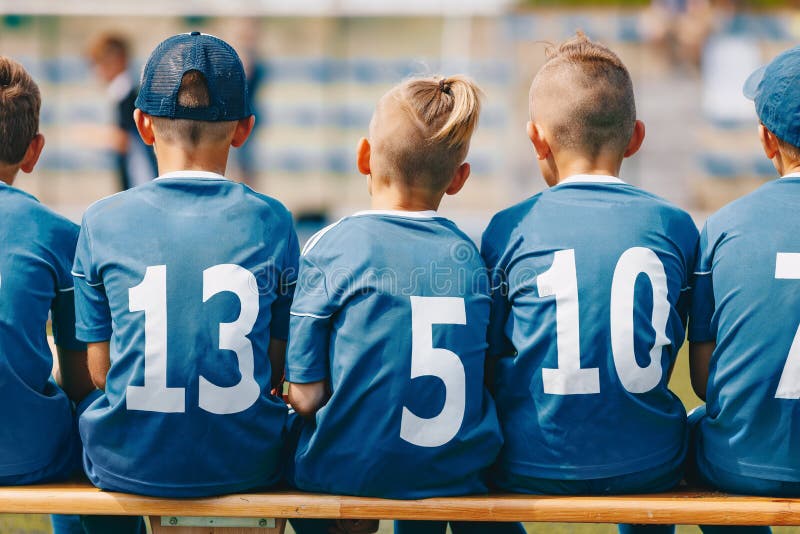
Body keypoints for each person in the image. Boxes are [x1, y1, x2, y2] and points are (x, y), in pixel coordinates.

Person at [481, 33, 698, 534]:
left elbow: (489, 359)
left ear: (537, 138)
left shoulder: (508, 228)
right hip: (651, 464)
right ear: (636, 136)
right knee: (664, 435)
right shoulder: (676, 225)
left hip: (527, 460)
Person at [285, 75, 522, 534]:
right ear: (458, 179)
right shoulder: (473, 259)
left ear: (363, 157)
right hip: (452, 470)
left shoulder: (333, 247)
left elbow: (307, 396)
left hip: (350, 470)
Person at [72, 31, 297, 512]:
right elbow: (277, 365)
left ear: (143, 125)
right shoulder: (273, 221)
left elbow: (99, 371)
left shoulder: (102, 220)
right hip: (248, 460)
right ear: (243, 130)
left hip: (129, 461)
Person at [687, 45, 800, 534]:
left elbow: (704, 378)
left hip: (747, 463)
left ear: (766, 139)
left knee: (685, 432)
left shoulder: (725, 225)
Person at [0, 56, 94, 534]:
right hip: (25, 454)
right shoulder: (59, 234)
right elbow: (82, 379)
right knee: (90, 427)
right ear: (33, 151)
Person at [87, 33, 157, 190]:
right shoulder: (125, 93)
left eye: (99, 63)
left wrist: (92, 135)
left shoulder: (128, 95)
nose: (97, 71)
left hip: (142, 178)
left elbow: (124, 140)